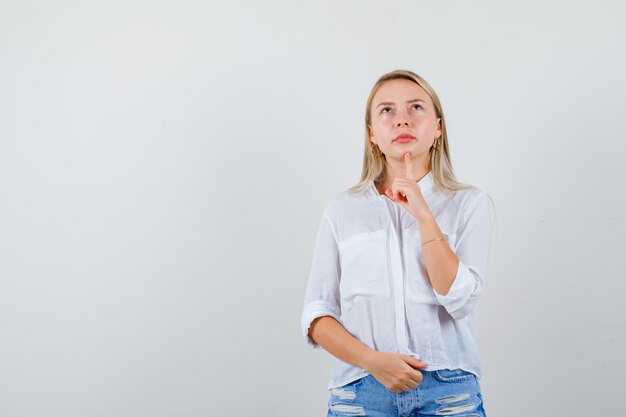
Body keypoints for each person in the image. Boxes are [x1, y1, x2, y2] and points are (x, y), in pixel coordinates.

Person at [301, 70, 494, 417]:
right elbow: (317, 316)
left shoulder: (469, 204)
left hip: (448, 393)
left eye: (416, 107)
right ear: (372, 133)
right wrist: (373, 362)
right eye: (387, 111)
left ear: (438, 127)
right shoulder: (342, 210)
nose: (402, 119)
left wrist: (423, 215)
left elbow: (459, 300)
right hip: (360, 394)